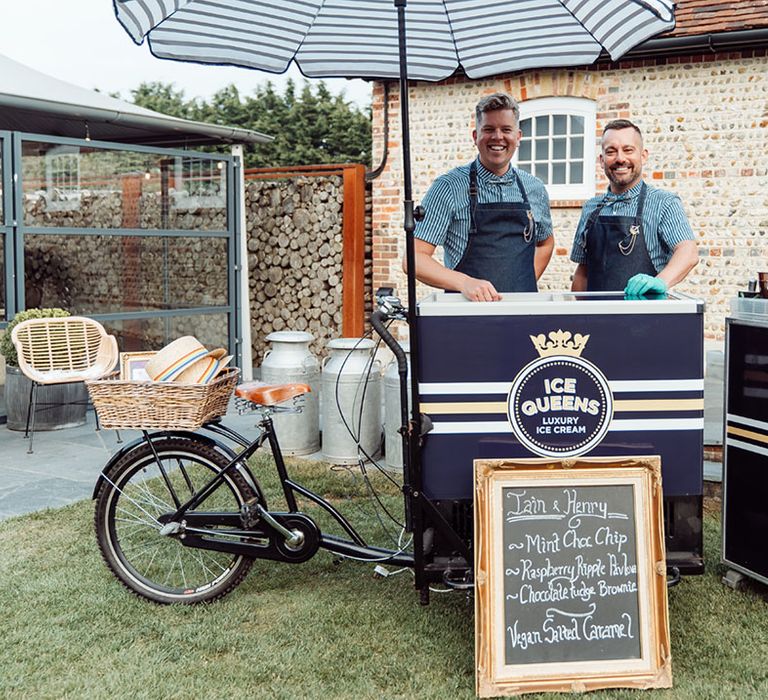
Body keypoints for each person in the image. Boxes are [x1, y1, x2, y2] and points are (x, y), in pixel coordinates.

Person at [404, 93, 554, 302]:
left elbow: (545, 243)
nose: (498, 137)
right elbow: (414, 259)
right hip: (466, 318)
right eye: (489, 129)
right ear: (475, 136)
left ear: (518, 137)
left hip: (522, 315)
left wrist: (524, 283)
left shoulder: (534, 188)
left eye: (506, 130)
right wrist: (464, 283)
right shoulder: (448, 187)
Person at [570, 119, 698, 295]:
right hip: (595, 319)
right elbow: (582, 273)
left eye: (628, 150)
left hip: (645, 319)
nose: (620, 159)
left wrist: (660, 281)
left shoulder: (664, 203)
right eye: (611, 151)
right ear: (602, 160)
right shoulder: (590, 209)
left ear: (643, 155)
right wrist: (576, 316)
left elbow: (688, 252)